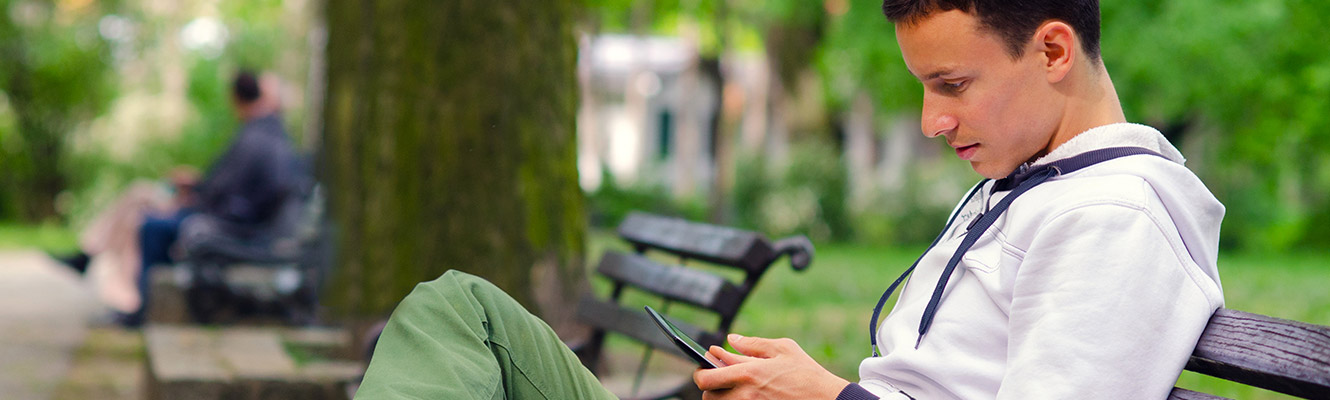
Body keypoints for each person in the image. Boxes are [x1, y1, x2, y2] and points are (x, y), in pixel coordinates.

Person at [355, 0, 1225, 399]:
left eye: (951, 84)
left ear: (1054, 51)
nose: (931, 120)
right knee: (458, 308)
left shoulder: (1114, 217)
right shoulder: (1026, 182)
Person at [119, 70, 305, 327]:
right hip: (237, 220)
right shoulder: (272, 138)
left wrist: (194, 197)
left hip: (235, 227)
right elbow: (233, 188)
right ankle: (141, 306)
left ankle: (142, 312)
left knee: (151, 227)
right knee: (147, 212)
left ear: (236, 98)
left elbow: (228, 194)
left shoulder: (255, 138)